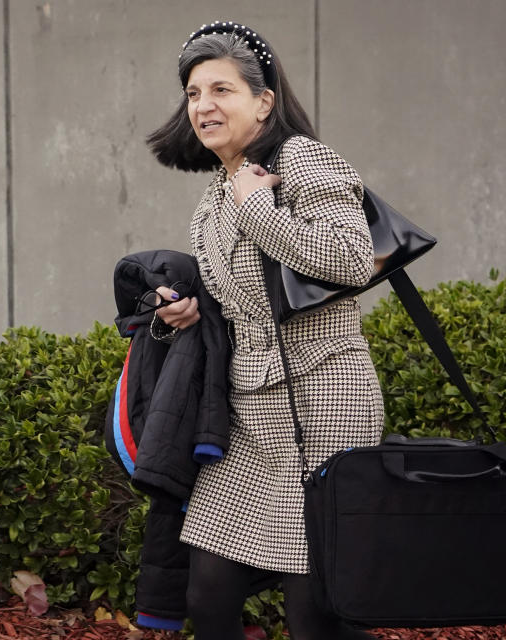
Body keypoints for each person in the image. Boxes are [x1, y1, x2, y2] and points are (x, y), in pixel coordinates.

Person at [145, 21, 384, 640]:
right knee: (208, 592)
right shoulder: (213, 197)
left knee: (315, 611)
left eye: (220, 90)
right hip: (248, 414)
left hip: (325, 398)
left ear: (264, 100)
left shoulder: (304, 159)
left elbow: (351, 260)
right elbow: (240, 304)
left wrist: (259, 212)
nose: (203, 107)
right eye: (194, 94)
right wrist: (185, 316)